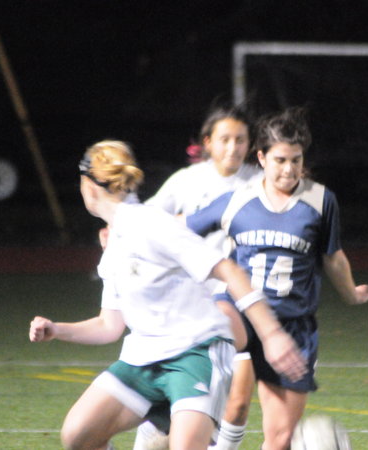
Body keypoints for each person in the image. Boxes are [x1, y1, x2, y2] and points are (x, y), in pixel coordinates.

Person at [29, 140, 307, 450]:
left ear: (90, 187)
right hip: (143, 359)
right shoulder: (115, 242)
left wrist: (271, 335)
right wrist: (57, 330)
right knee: (78, 434)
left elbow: (228, 270)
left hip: (196, 352)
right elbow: (109, 326)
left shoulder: (151, 223)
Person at [185, 107, 368, 450]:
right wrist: (124, 230)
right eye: (280, 160)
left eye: (296, 160)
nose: (289, 169)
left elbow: (333, 257)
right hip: (242, 314)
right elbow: (180, 230)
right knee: (220, 350)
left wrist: (351, 293)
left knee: (281, 439)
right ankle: (170, 414)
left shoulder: (320, 201)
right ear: (261, 158)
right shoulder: (237, 200)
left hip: (292, 326)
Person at [134, 103, 261, 450]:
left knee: (236, 400)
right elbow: (147, 219)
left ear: (250, 144)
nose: (232, 147)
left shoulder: (259, 183)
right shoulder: (187, 180)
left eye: (240, 139)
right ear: (208, 142)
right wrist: (116, 231)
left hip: (237, 305)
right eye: (225, 139)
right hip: (186, 307)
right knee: (170, 397)